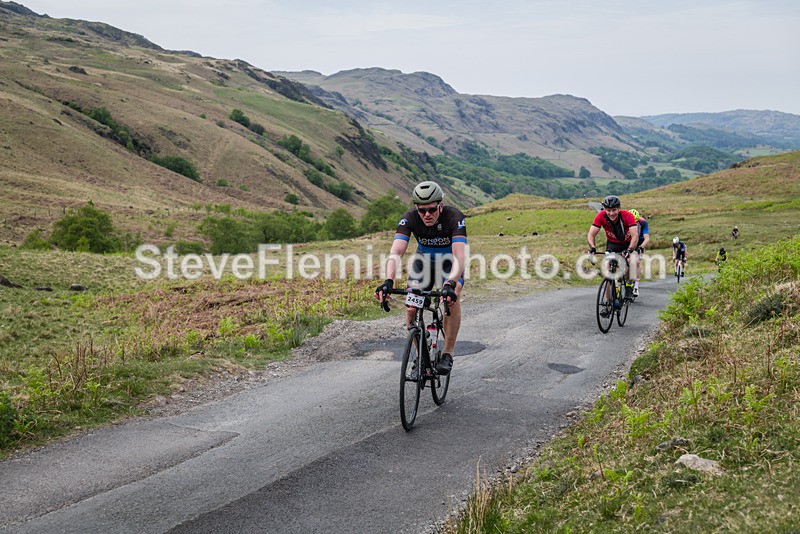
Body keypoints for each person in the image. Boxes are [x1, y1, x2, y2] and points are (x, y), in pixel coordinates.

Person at [374, 181, 467, 375]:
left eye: (432, 210)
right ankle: (420, 356)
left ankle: (448, 353)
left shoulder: (454, 217)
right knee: (411, 308)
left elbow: (459, 257)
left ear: (440, 206)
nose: (427, 215)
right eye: (422, 210)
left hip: (450, 264)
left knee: (451, 299)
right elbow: (396, 252)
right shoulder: (409, 218)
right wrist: (388, 281)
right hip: (423, 263)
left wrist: (450, 283)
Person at [587, 195, 639, 298]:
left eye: (614, 210)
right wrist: (592, 247)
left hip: (628, 244)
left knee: (633, 261)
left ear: (619, 208)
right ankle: (607, 303)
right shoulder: (601, 216)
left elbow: (635, 235)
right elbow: (591, 234)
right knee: (608, 273)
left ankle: (629, 285)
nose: (611, 213)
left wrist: (630, 250)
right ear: (604, 209)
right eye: (608, 210)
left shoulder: (627, 216)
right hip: (612, 245)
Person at [628, 209, 650, 297]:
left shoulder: (643, 222)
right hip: (629, 240)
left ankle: (636, 287)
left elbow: (647, 238)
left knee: (637, 263)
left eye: (635, 222)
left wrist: (641, 246)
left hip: (640, 241)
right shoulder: (625, 220)